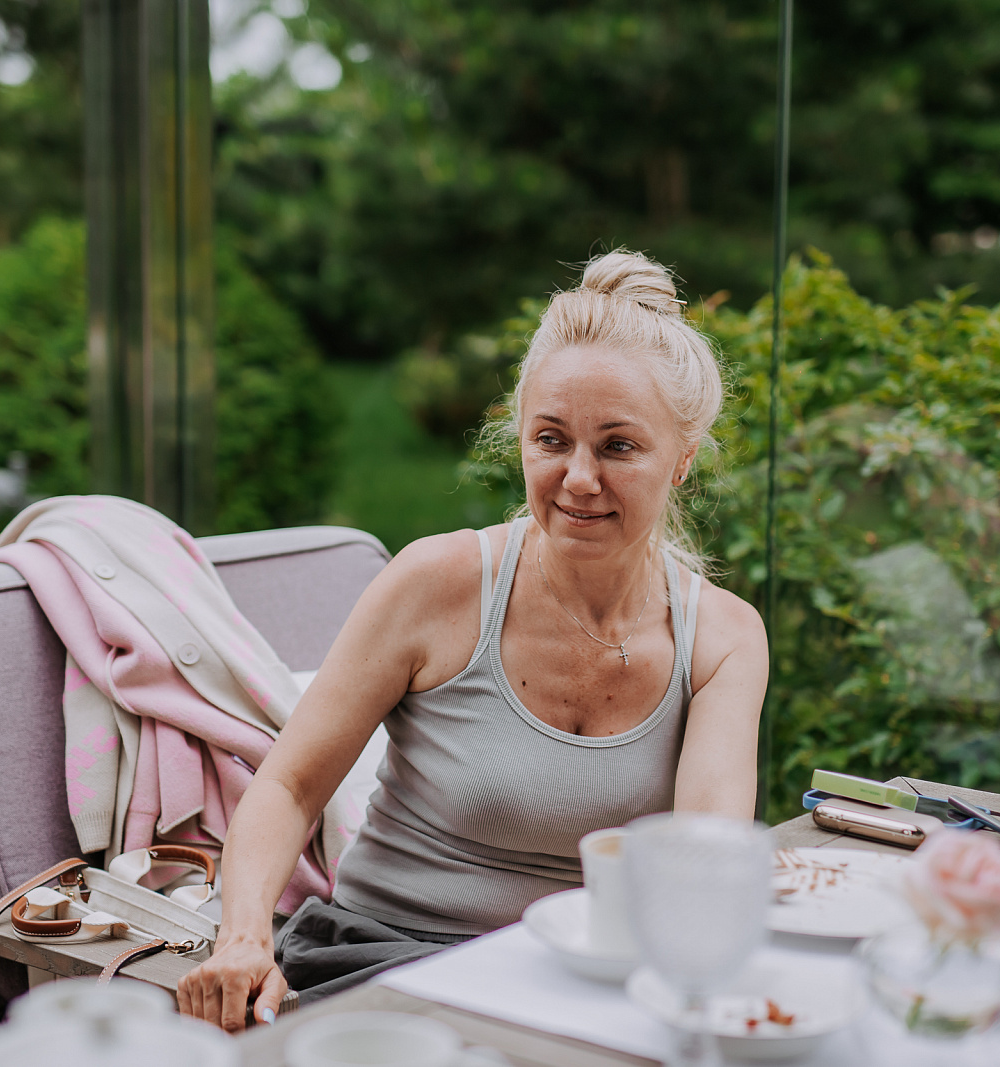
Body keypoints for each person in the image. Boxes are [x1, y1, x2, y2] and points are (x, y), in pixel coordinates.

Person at [177, 250, 768, 1031]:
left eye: (618, 446)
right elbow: (288, 786)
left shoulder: (722, 640)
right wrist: (244, 937)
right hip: (384, 970)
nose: (578, 477)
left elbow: (701, 867)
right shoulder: (437, 584)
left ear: (683, 459)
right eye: (551, 439)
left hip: (583, 990)